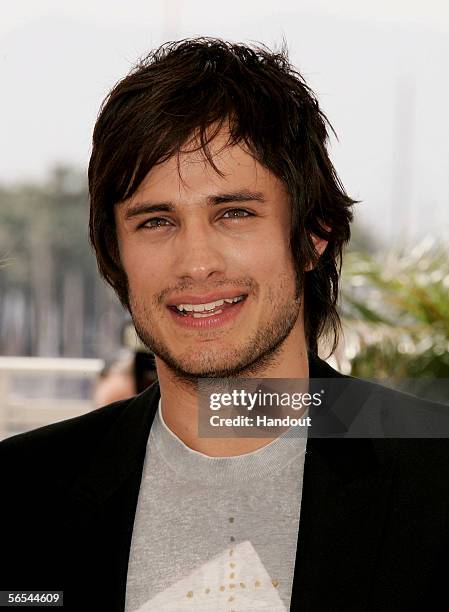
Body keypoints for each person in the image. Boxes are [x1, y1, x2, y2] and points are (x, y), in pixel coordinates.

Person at [1, 38, 448, 612]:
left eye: (234, 213)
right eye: (156, 221)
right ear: (115, 253)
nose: (196, 263)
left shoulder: (434, 478)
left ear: (313, 233)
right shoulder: (21, 492)